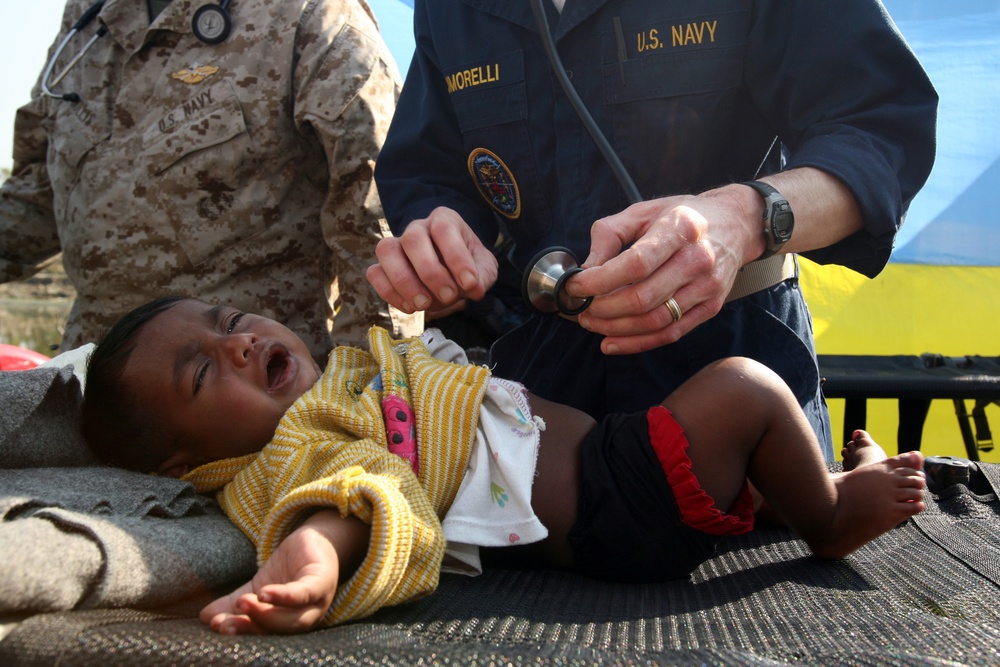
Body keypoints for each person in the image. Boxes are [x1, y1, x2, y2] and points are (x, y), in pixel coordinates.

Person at [80, 296, 926, 634]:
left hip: (611, 477)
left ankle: (805, 490)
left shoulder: (331, 384)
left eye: (231, 318)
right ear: (189, 462)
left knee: (739, 458)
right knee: (744, 391)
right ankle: (831, 516)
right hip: (611, 501)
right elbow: (353, 490)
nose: (240, 342)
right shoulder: (299, 444)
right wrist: (311, 560)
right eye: (203, 373)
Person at [369, 0, 939, 460]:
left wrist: (747, 217)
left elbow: (881, 131)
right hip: (542, 399)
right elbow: (430, 170)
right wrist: (442, 227)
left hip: (739, 389)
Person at [0, 0, 421, 361]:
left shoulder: (305, 15)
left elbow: (377, 228)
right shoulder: (90, 23)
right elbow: (42, 198)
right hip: (95, 392)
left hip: (254, 406)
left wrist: (368, 398)